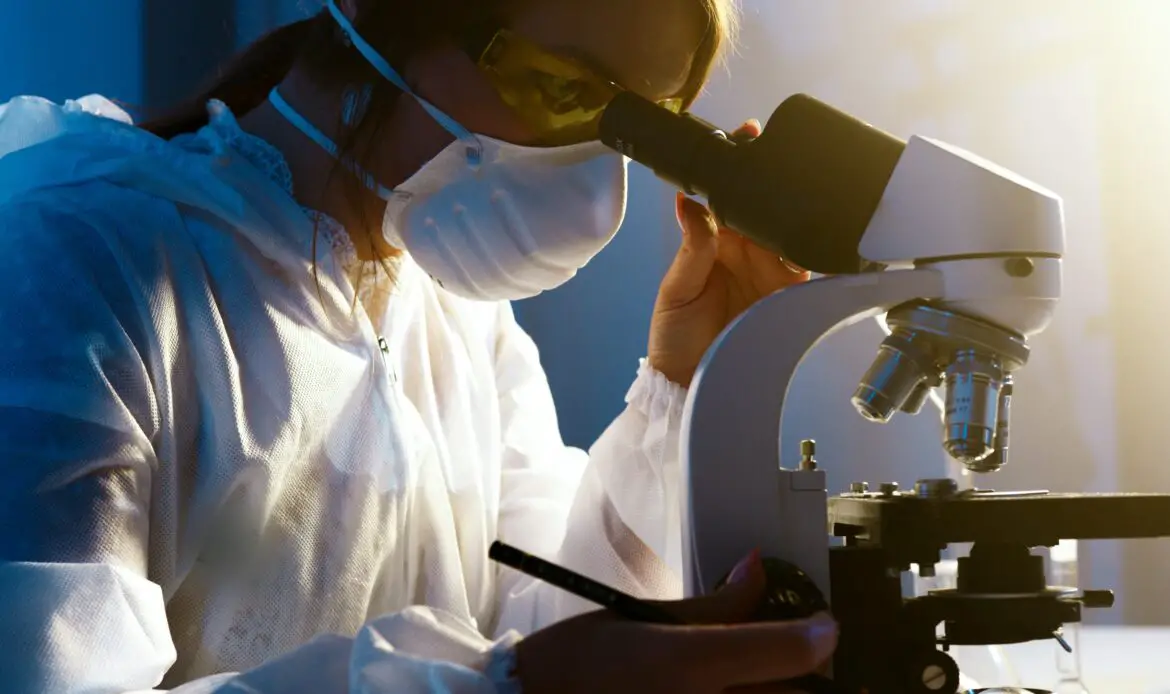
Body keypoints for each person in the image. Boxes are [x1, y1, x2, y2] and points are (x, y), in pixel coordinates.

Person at [0, 0, 833, 691]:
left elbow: (555, 626)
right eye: (560, 86)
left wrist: (678, 385)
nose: (591, 173)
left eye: (637, 131)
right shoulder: (72, 263)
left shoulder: (458, 314)